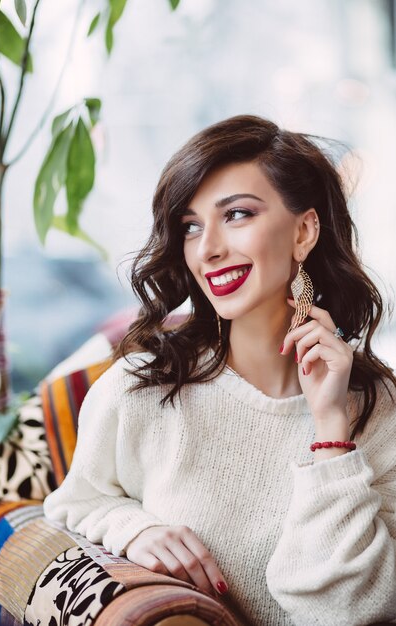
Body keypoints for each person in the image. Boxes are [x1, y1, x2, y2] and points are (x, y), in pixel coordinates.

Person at [43, 115, 396, 626]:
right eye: (190, 226)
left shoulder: (380, 408)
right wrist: (133, 529)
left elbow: (345, 609)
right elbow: (75, 502)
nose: (207, 249)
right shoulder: (141, 388)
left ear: (304, 230)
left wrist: (331, 433)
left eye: (236, 215)